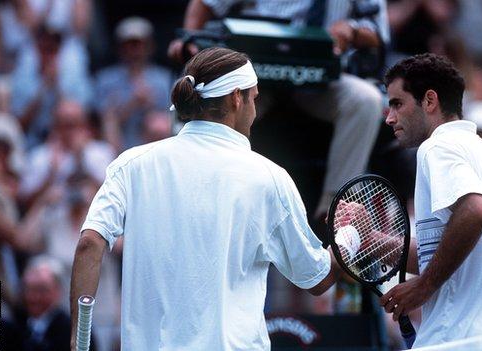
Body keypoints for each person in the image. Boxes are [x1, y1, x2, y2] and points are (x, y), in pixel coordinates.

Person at [70, 47, 339, 350]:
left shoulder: (131, 164)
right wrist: (352, 239)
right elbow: (316, 278)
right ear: (237, 97)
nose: (254, 108)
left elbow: (89, 243)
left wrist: (79, 343)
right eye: (254, 97)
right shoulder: (270, 177)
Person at [379, 53, 482, 348]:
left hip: (463, 341)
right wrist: (373, 242)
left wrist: (424, 286)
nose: (389, 117)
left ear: (429, 101)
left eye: (397, 103)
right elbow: (448, 255)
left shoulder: (436, 148)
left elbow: (476, 210)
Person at [167, 0, 386, 221]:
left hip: (321, 77)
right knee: (212, 96)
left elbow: (380, 34)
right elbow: (205, 4)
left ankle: (336, 211)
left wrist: (353, 31)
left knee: (366, 99)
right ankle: (194, 196)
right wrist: (190, 42)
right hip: (254, 72)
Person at [95, 17, 172, 152]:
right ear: (120, 48)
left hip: (154, 144)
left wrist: (150, 105)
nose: (134, 50)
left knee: (159, 122)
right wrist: (131, 105)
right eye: (129, 45)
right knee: (109, 122)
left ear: (149, 46)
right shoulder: (106, 80)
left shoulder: (163, 79)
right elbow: (100, 123)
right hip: (119, 146)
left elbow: (170, 119)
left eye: (138, 44)